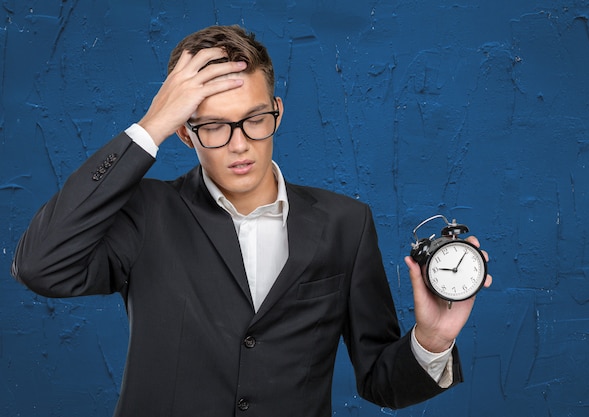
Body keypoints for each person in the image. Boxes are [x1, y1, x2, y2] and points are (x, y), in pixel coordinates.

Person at [11, 25, 492, 417]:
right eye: (214, 126)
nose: (240, 144)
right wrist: (150, 125)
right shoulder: (145, 213)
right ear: (185, 132)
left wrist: (432, 339)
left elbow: (381, 385)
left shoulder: (347, 223)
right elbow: (41, 266)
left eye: (254, 119)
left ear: (276, 113)